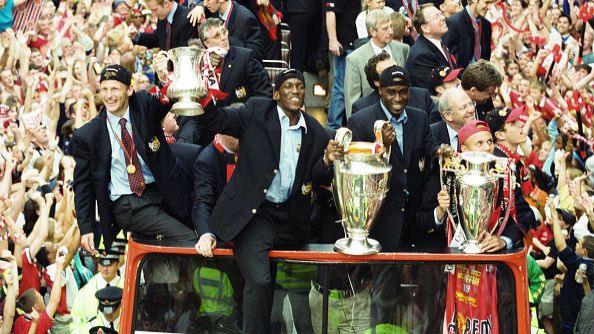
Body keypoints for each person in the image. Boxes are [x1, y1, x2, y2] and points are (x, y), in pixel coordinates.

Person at [196, 69, 337, 333]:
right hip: (254, 215)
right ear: (275, 94)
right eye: (288, 87)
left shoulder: (314, 129)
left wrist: (329, 158)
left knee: (285, 288)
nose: (295, 91)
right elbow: (216, 120)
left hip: (290, 219)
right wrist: (204, 98)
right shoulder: (256, 112)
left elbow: (316, 174)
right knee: (259, 281)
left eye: (300, 86)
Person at [72, 64, 197, 253]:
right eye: (104, 89)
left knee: (191, 238)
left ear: (129, 89)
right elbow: (83, 185)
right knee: (188, 240)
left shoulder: (144, 105)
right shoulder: (88, 135)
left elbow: (166, 100)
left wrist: (164, 77)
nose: (109, 95)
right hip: (128, 204)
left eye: (114, 88)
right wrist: (86, 228)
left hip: (163, 191)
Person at [348, 65, 433, 328]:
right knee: (384, 298)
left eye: (404, 92)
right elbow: (356, 175)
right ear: (380, 90)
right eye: (391, 92)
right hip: (382, 223)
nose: (398, 98)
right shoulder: (361, 120)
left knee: (419, 300)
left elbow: (426, 162)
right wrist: (382, 147)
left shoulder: (419, 118)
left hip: (415, 223)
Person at [175, 18, 272, 146]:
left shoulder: (245, 57)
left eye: (224, 32)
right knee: (190, 122)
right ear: (207, 43)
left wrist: (248, 116)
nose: (223, 37)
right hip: (206, 126)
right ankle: (183, 149)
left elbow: (265, 94)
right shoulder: (199, 62)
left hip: (235, 124)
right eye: (217, 35)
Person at [345, 9, 409, 117]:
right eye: (385, 29)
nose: (390, 32)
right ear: (372, 31)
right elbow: (352, 99)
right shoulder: (355, 58)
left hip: (401, 113)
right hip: (371, 118)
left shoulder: (403, 49)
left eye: (391, 26)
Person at [549, 196, 594, 334]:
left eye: (579, 244)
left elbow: (560, 246)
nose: (576, 244)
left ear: (584, 250)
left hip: (573, 319)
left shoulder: (581, 264)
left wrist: (554, 216)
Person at [351, 52, 437, 117]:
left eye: (395, 68)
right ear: (377, 82)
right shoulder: (362, 107)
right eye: (387, 72)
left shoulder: (421, 97)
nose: (395, 74)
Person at [325, 0, 361, 129]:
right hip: (345, 45)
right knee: (340, 87)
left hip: (358, 43)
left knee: (353, 88)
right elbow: (330, 11)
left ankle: (350, 125)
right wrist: (333, 40)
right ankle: (332, 127)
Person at [70, 248, 125, 333]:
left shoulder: (128, 288)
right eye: (102, 264)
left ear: (118, 264)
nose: (105, 269)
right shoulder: (86, 290)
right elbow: (74, 323)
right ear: (98, 265)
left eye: (109, 264)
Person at [187, 0, 265, 59]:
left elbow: (256, 54)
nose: (205, 3)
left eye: (208, 0)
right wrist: (199, 7)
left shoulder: (246, 18)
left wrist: (224, 41)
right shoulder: (210, 10)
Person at [405, 4, 457, 89]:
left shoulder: (440, 43)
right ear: (425, 28)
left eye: (440, 14)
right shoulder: (421, 55)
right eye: (436, 17)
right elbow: (433, 91)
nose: (443, 18)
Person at [13, 252, 66, 334]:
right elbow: (54, 301)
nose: (42, 298)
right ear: (36, 307)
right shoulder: (39, 322)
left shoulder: (18, 321)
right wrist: (59, 269)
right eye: (40, 297)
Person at [443, 0, 495, 68]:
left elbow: (486, 56)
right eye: (487, 2)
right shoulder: (453, 22)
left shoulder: (486, 24)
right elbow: (449, 57)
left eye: (491, 3)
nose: (490, 7)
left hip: (482, 74)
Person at [130, 0, 198, 50]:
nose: (153, 14)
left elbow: (183, 53)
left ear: (166, 3)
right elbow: (157, 38)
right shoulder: (163, 16)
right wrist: (137, 36)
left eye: (154, 10)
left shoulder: (189, 17)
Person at [431, 87, 476, 151]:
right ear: (448, 115)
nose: (472, 110)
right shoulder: (432, 135)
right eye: (464, 107)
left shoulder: (481, 130)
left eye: (471, 104)